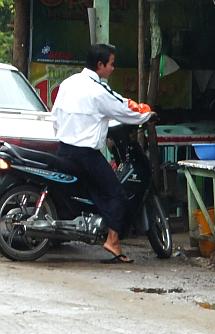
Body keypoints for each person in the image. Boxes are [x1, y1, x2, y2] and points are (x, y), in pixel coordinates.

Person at [51, 43, 152, 263]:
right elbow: (124, 107)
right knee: (116, 193)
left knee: (91, 190)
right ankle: (113, 240)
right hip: (86, 154)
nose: (113, 69)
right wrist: (146, 114)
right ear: (100, 65)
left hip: (64, 149)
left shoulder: (69, 83)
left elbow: (55, 114)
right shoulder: (98, 90)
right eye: (111, 64)